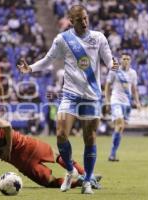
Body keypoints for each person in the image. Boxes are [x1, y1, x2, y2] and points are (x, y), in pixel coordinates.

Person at [18, 5, 117, 194]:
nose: (85, 22)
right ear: (71, 21)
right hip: (70, 94)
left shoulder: (98, 38)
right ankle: (71, 171)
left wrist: (114, 65)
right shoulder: (63, 39)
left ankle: (87, 180)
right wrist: (29, 68)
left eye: (86, 18)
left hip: (91, 96)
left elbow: (109, 60)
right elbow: (48, 60)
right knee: (61, 134)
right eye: (80, 20)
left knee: (90, 138)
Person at [0, 113, 102, 189]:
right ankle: (88, 176)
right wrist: (8, 146)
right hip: (28, 145)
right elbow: (7, 126)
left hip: (22, 163)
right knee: (58, 157)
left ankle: (81, 182)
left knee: (50, 183)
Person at [105, 52, 141, 162]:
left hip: (127, 103)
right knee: (120, 124)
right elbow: (107, 86)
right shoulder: (114, 70)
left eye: (128, 59)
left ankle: (113, 154)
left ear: (130, 60)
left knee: (120, 128)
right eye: (124, 58)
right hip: (116, 100)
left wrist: (137, 102)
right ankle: (111, 154)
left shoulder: (133, 73)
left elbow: (134, 89)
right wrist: (107, 101)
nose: (125, 60)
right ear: (120, 60)